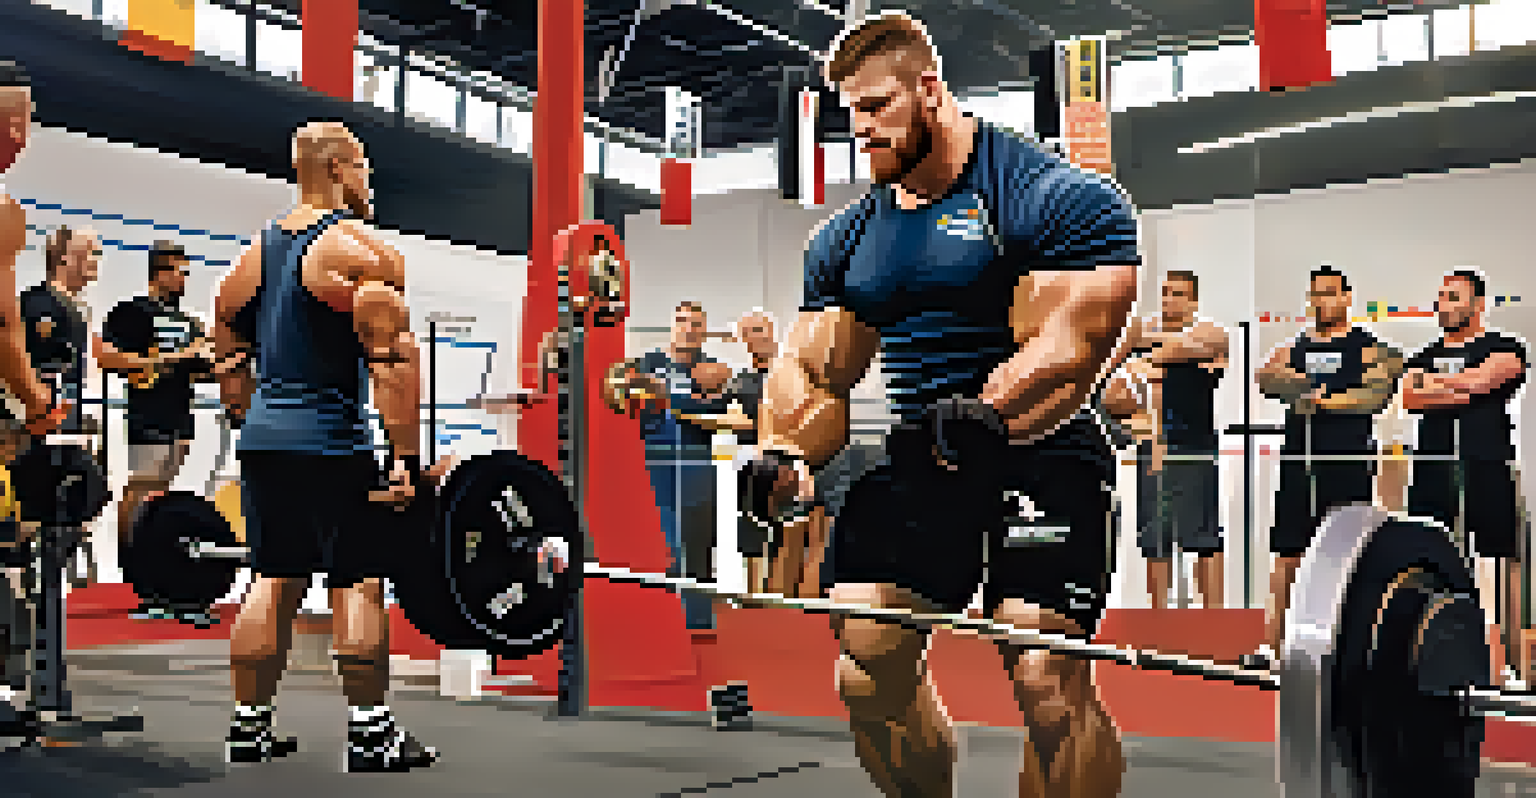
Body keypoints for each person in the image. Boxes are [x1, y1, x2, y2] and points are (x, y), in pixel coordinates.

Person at [746, 13, 1139, 797]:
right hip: (922, 456)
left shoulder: (1052, 197)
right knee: (866, 662)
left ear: (930, 89)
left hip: (1042, 448)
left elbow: (1068, 355)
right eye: (850, 111)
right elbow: (817, 374)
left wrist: (987, 407)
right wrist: (785, 457)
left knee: (1043, 674)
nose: (861, 128)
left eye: (877, 105)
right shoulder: (846, 239)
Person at [212, 121, 435, 771]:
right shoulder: (361, 253)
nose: (369, 183)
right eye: (364, 168)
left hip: (266, 445)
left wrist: (252, 412)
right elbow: (391, 361)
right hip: (332, 444)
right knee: (357, 583)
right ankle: (372, 733)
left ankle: (249, 728)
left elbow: (226, 332)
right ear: (339, 166)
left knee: (273, 578)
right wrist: (404, 460)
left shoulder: (257, 253)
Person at [1247, 264, 1402, 670]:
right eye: (1315, 293)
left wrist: (1321, 399)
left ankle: (1351, 650)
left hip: (1347, 464)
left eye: (1330, 293)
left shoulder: (1367, 346)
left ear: (1347, 298)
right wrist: (1305, 386)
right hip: (1300, 463)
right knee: (1286, 554)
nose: (1321, 301)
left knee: (1348, 558)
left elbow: (1378, 391)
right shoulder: (1295, 347)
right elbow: (1267, 376)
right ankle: (1272, 646)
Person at [1403, 269, 1529, 687]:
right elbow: (1410, 395)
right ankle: (1439, 662)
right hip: (1433, 472)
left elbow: (1486, 379)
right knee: (1433, 565)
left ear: (1478, 305)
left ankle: (1508, 666)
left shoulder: (1505, 347)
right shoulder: (1422, 354)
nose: (1444, 304)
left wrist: (1442, 385)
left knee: (1497, 565)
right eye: (1440, 297)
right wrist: (1460, 387)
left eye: (1454, 297)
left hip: (1486, 467)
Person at [98, 240, 217, 622]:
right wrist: (173, 357)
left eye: (186, 271)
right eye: (178, 271)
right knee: (140, 491)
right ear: (159, 272)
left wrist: (218, 362)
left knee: (162, 498)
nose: (183, 279)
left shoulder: (190, 323)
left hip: (181, 420)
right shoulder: (133, 312)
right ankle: (135, 574)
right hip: (148, 418)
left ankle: (159, 577)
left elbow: (200, 371)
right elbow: (107, 357)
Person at [0, 58, 69, 698]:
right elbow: (4, 327)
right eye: (24, 119)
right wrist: (33, 399)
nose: (26, 134)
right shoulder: (3, 212)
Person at [1122, 271, 1230, 609]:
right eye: (1166, 293)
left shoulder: (1210, 334)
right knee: (1155, 536)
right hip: (1153, 447)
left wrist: (1151, 357)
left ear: (1194, 301)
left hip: (1195, 446)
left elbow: (1209, 343)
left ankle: (1215, 619)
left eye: (1179, 294)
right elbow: (1125, 338)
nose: (1170, 300)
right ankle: (1159, 617)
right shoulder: (1144, 330)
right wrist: (1170, 352)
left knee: (1205, 536)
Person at [628, 301, 730, 629]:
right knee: (657, 544)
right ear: (672, 325)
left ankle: (698, 621)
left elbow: (719, 408)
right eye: (682, 321)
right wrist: (685, 402)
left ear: (702, 332)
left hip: (695, 464)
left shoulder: (712, 368)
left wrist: (674, 401)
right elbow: (636, 404)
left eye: (695, 323)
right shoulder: (650, 363)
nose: (687, 328)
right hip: (653, 463)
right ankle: (653, 619)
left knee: (698, 543)